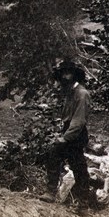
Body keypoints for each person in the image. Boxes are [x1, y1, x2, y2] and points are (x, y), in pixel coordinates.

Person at [40, 60, 93, 207]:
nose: (65, 77)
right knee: (74, 163)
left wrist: (65, 138)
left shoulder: (81, 93)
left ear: (75, 75)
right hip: (69, 130)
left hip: (76, 133)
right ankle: (80, 198)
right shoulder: (69, 93)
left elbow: (79, 120)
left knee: (75, 163)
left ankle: (81, 199)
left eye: (68, 73)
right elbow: (66, 117)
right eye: (63, 73)